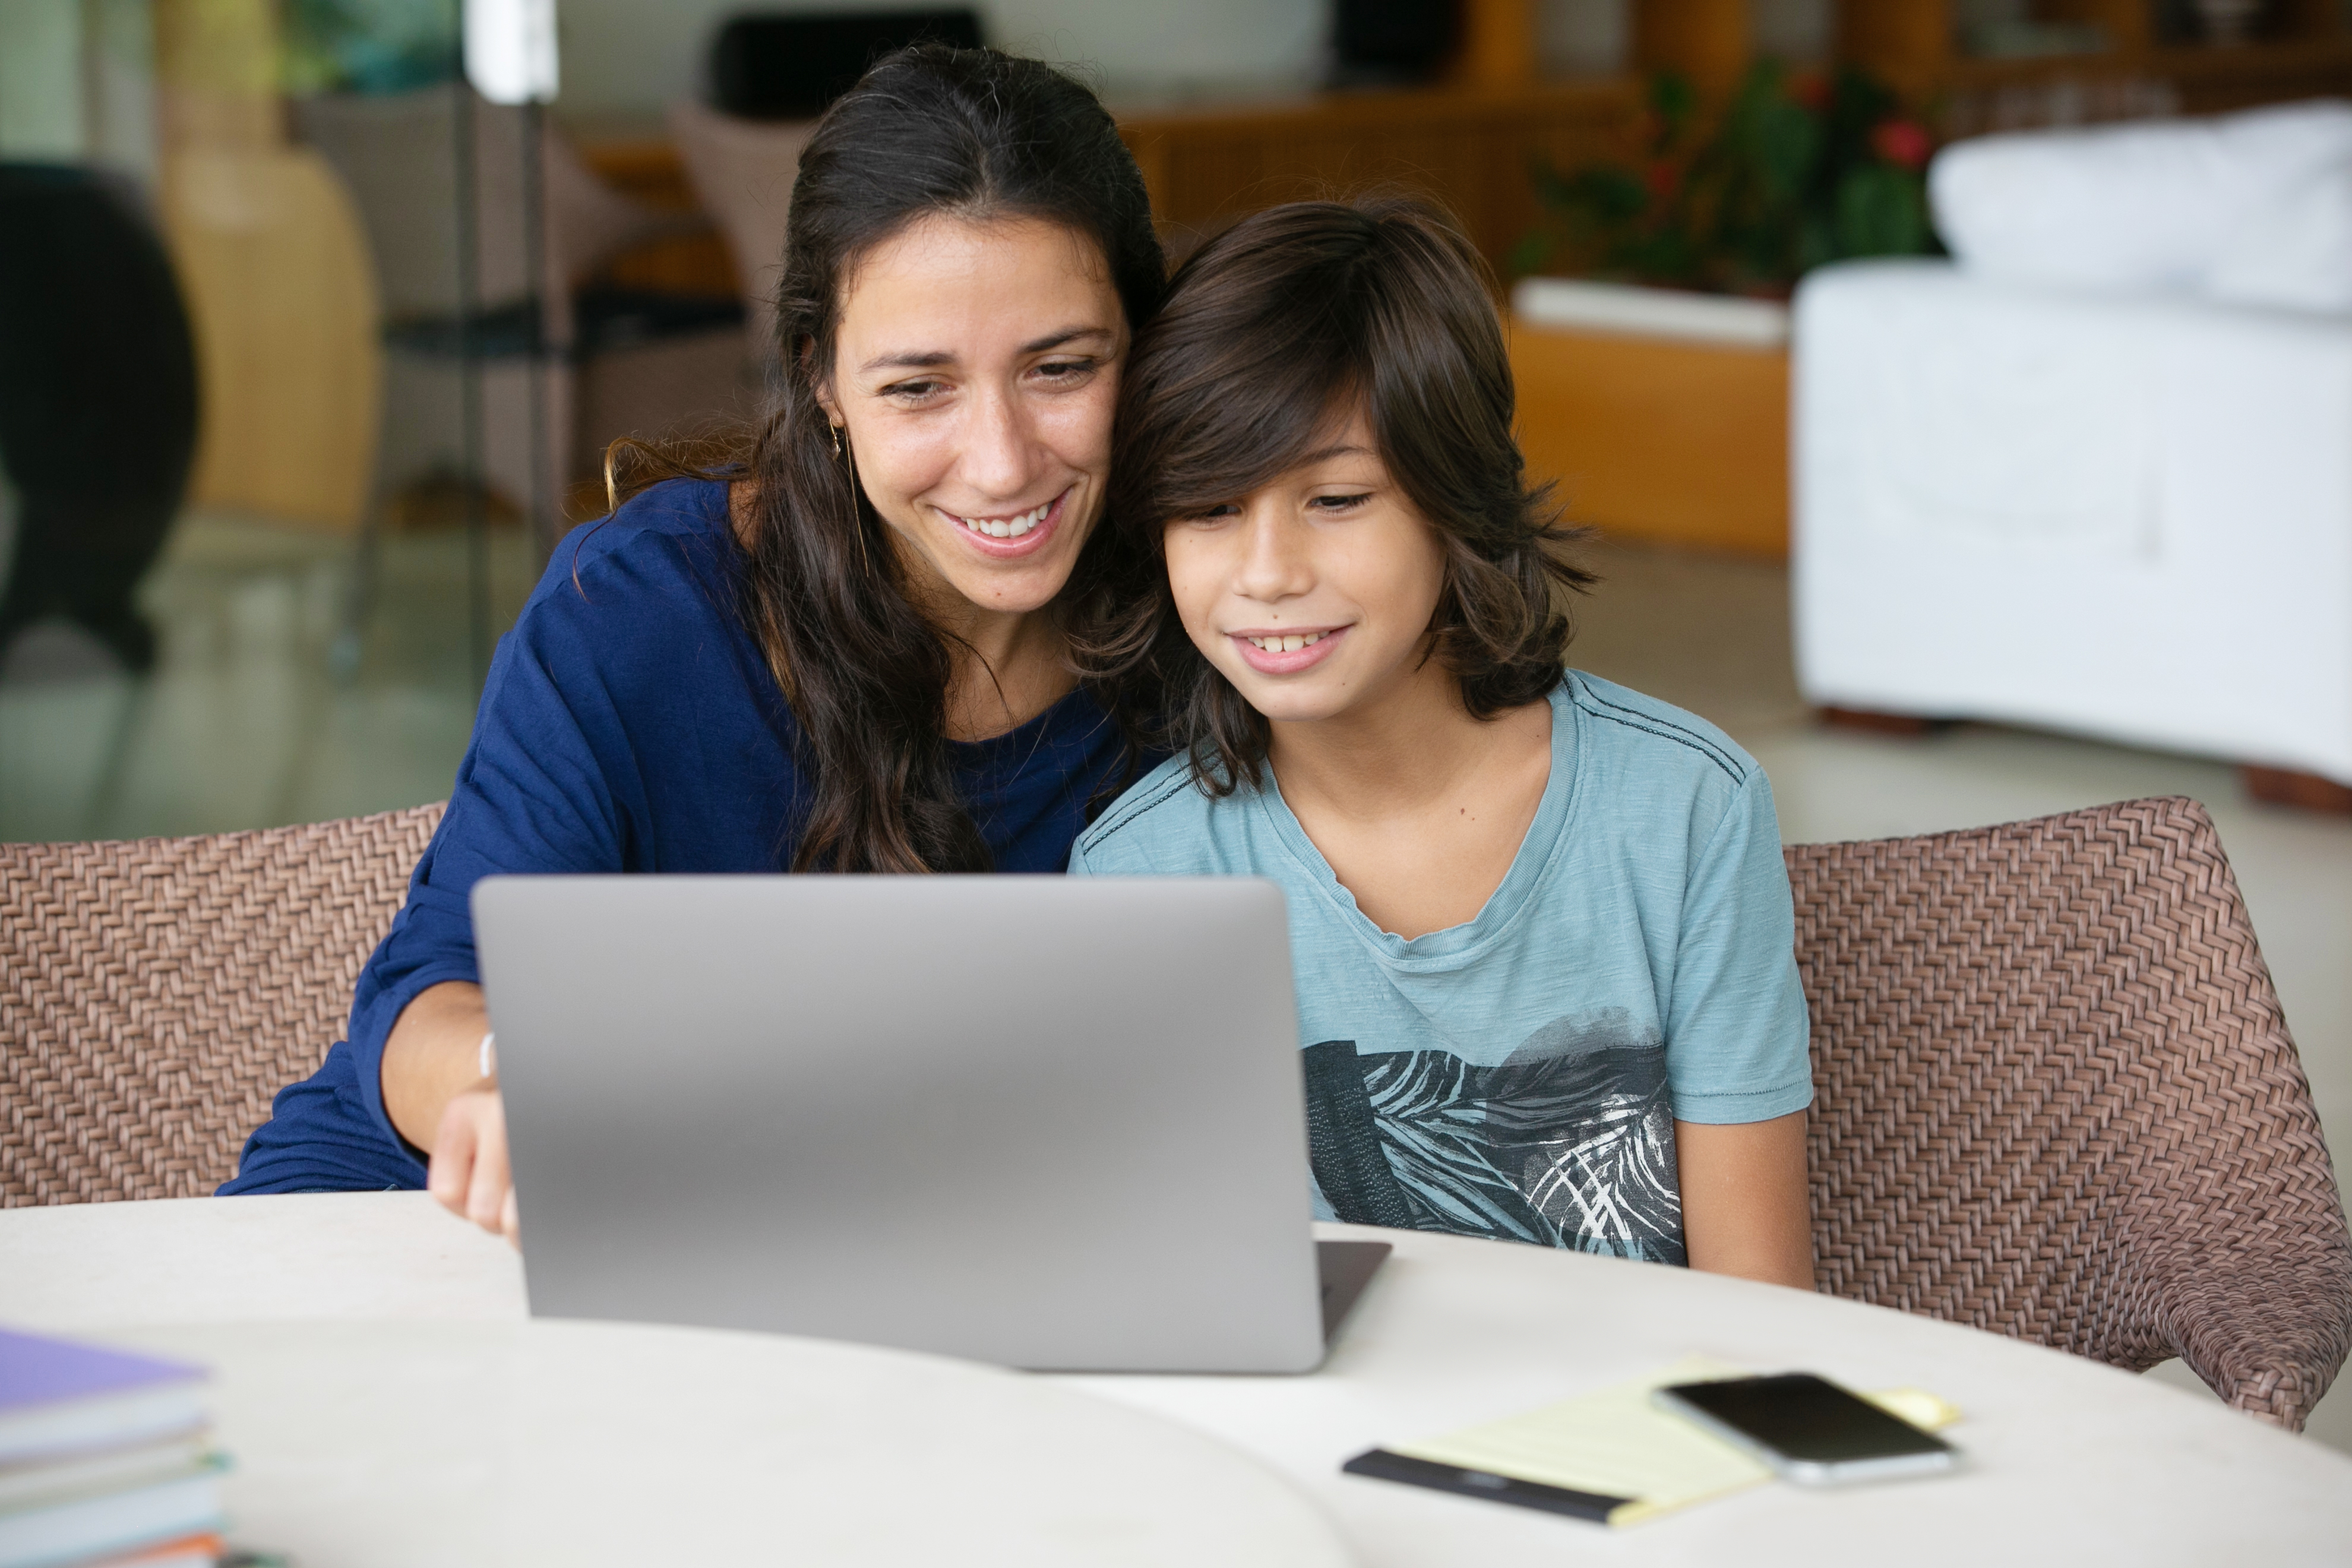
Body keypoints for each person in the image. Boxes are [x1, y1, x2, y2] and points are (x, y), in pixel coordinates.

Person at [222, 45, 1167, 1232]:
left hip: (850, 1265)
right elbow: (422, 1005)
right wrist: (531, 1091)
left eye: (1061, 368)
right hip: (436, 1225)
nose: (1002, 461)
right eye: (917, 388)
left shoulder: (1212, 627)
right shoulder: (645, 610)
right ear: (820, 382)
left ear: (1143, 350)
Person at [1071, 198, 1816, 1287]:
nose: (1267, 572)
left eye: (1335, 498)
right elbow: (1177, 1301)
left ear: (1453, 496)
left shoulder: (1686, 809)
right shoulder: (1141, 873)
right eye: (1211, 508)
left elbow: (1763, 1307)